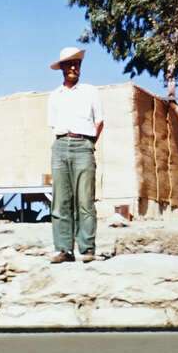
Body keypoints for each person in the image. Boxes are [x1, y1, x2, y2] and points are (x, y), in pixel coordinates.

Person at [46, 46, 104, 263]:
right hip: (60, 145)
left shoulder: (90, 91)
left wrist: (88, 144)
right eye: (69, 64)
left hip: (83, 145)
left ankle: (87, 248)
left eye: (77, 64)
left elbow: (99, 122)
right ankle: (63, 249)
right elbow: (53, 125)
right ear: (61, 68)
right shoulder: (54, 96)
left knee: (85, 199)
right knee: (60, 200)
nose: (73, 68)